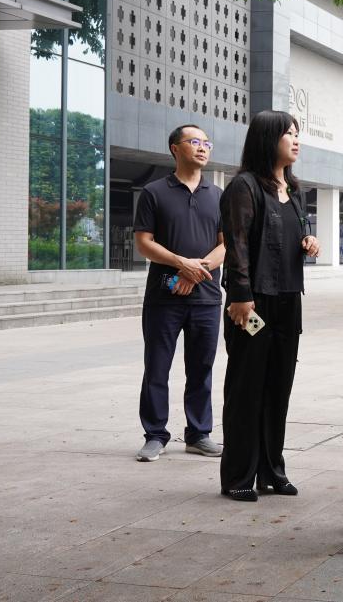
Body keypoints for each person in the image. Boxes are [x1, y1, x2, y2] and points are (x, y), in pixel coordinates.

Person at [218, 110, 321, 501]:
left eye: (297, 133)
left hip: (288, 301)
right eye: (288, 134)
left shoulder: (294, 190)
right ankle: (239, 475)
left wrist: (308, 242)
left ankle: (272, 471)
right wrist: (241, 296)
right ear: (266, 138)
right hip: (253, 305)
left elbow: (290, 235)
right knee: (247, 388)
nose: (296, 140)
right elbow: (237, 244)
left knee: (279, 388)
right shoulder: (243, 187)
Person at [133, 125, 226, 463]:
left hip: (206, 298)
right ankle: (155, 435)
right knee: (157, 367)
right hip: (164, 298)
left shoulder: (218, 195)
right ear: (175, 148)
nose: (202, 147)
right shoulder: (154, 192)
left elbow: (226, 244)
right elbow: (144, 242)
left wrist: (195, 270)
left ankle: (198, 434)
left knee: (201, 368)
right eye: (194, 142)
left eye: (206, 143)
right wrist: (180, 264)